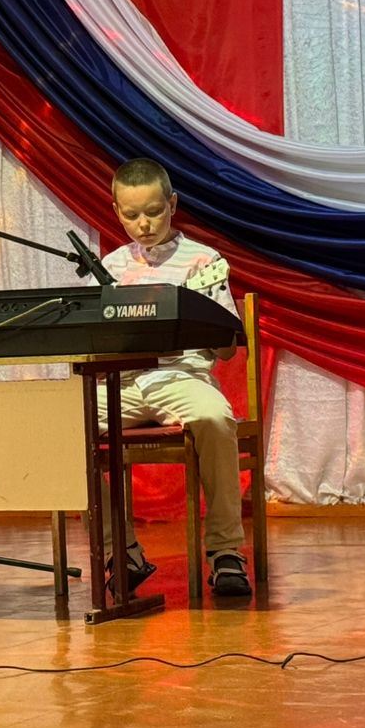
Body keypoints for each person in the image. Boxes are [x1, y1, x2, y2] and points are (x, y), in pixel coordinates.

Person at [98, 157, 251, 599]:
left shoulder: (203, 261)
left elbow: (226, 349)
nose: (143, 225)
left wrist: (205, 320)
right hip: (124, 383)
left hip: (181, 378)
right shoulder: (109, 267)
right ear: (116, 211)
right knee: (66, 428)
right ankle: (120, 551)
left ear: (173, 204)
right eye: (131, 215)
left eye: (154, 212)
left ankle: (225, 551)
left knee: (215, 418)